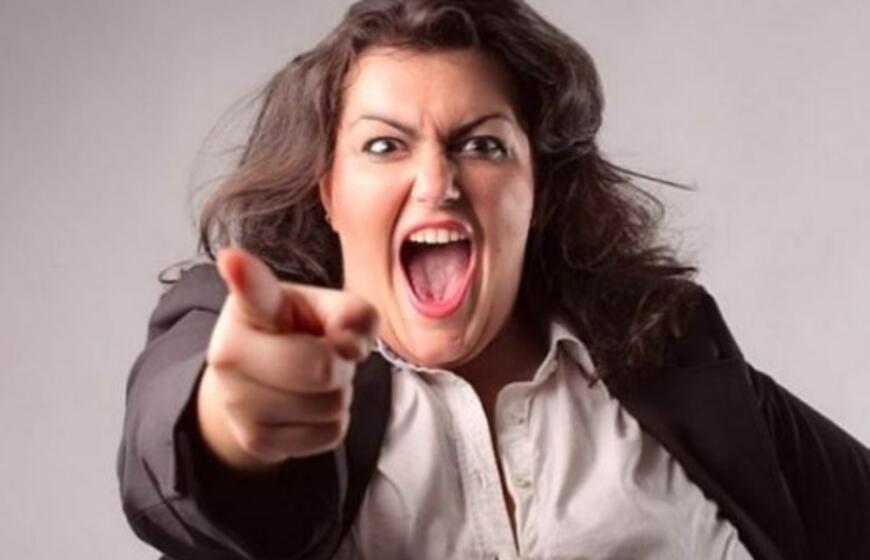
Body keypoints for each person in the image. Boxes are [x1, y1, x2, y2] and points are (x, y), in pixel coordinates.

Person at [118, 1, 870, 559]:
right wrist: (232, 423)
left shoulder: (672, 356)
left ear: (536, 186)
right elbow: (177, 465)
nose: (437, 183)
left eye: (481, 145)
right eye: (384, 146)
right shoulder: (238, 327)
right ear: (329, 192)